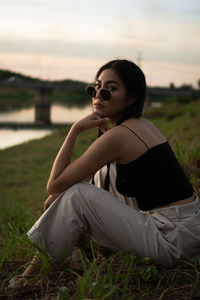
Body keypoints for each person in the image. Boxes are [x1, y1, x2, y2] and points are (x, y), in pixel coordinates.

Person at [9, 59, 200, 288]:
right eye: (97, 86)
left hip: (173, 239)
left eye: (111, 89)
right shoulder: (141, 124)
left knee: (77, 195)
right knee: (86, 183)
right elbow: (62, 190)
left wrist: (75, 129)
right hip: (185, 229)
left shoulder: (120, 135)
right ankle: (76, 253)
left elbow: (54, 184)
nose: (99, 94)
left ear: (131, 98)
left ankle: (29, 277)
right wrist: (59, 198)